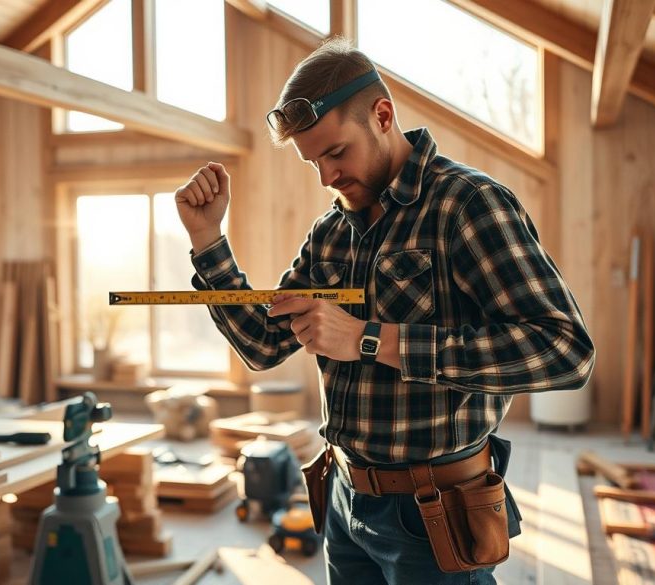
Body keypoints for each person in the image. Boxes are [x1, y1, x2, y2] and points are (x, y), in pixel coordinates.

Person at [174, 37, 594, 585]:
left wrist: (371, 339)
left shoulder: (466, 204)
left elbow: (565, 351)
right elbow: (261, 345)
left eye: (336, 152)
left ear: (383, 114)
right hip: (344, 500)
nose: (326, 176)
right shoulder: (331, 232)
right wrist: (209, 242)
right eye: (313, 161)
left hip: (435, 511)